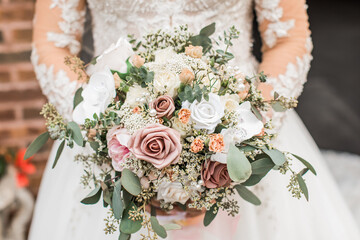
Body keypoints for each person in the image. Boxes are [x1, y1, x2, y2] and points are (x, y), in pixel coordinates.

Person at [28, 0, 360, 239]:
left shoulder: (245, 135)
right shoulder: (105, 135)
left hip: (238, 128)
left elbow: (288, 38)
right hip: (113, 140)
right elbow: (52, 43)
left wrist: (247, 137)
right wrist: (102, 131)